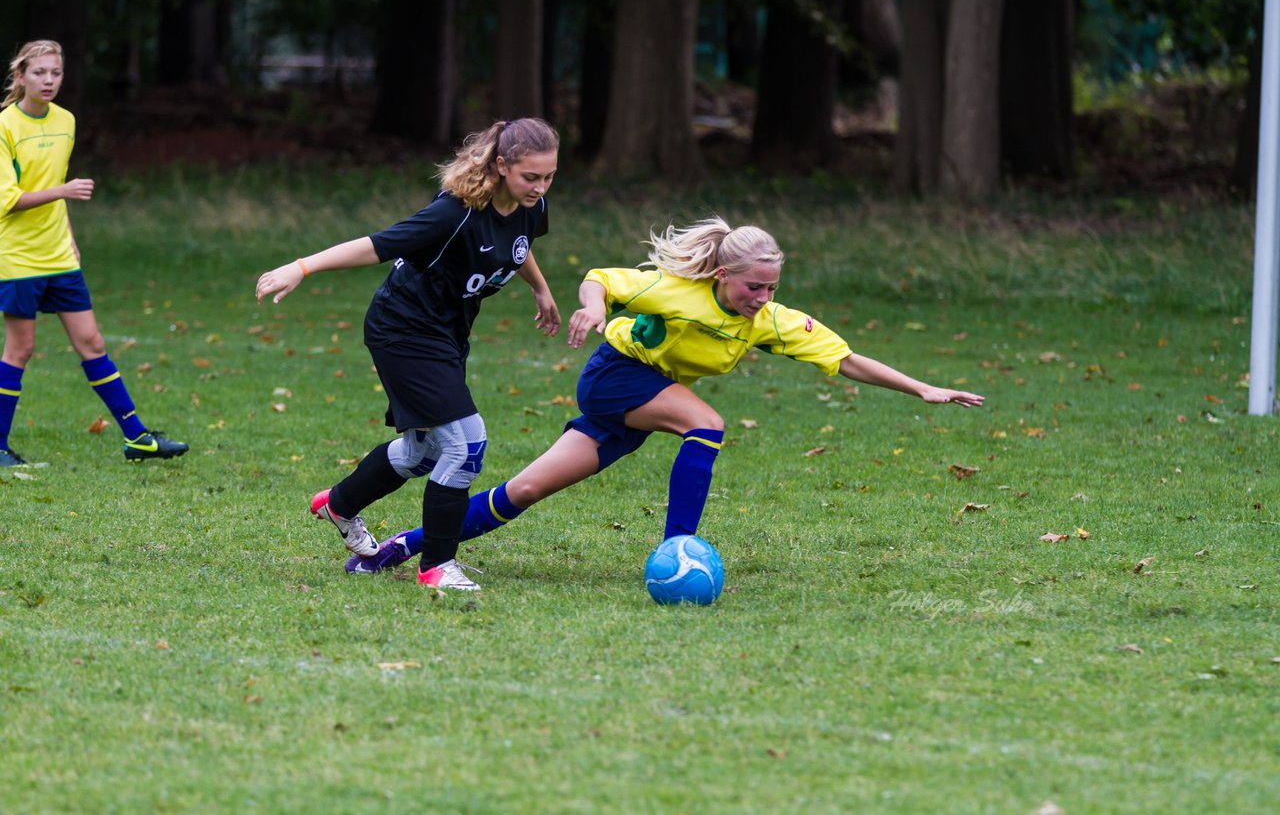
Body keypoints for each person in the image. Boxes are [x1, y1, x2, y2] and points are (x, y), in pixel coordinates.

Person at [343, 216, 985, 576]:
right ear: (725, 273)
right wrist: (591, 310)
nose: (763, 298)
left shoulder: (770, 322)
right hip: (616, 376)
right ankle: (679, 551)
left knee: (523, 493)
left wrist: (922, 387)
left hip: (642, 405)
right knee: (707, 424)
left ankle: (397, 549)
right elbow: (599, 278)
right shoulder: (674, 289)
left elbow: (847, 360)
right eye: (753, 287)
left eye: (771, 288)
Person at [255, 117, 562, 591]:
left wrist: (540, 290)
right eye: (530, 177)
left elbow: (518, 246)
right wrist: (302, 267)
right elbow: (376, 245)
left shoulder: (531, 206)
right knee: (465, 445)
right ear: (502, 165)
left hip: (447, 334)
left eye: (549, 176)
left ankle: (338, 504)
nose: (540, 187)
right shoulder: (452, 214)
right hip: (403, 331)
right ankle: (437, 566)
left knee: (423, 453)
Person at [0, 40, 188, 466]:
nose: (48, 81)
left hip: (59, 256)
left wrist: (68, 234)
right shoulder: (5, 126)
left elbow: (52, 187)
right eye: (39, 73)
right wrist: (63, 193)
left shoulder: (65, 121)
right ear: (20, 76)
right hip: (18, 257)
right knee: (20, 350)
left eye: (56, 73)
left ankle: (137, 437)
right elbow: (8, 200)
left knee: (92, 342)